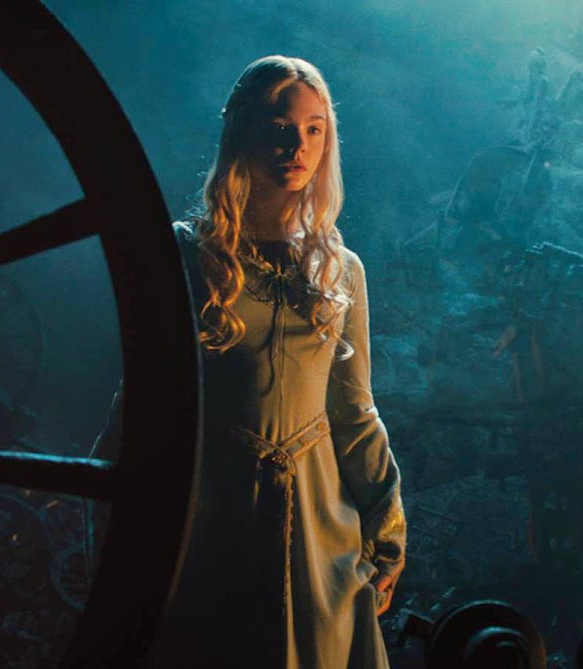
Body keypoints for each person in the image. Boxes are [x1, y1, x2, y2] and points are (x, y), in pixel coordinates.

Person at [96, 55, 405, 668]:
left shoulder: (340, 271)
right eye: (280, 127)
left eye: (314, 129)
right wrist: (115, 504)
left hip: (319, 527)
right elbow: (145, 399)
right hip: (214, 513)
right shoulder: (189, 255)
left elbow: (353, 411)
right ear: (244, 132)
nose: (298, 146)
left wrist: (386, 522)